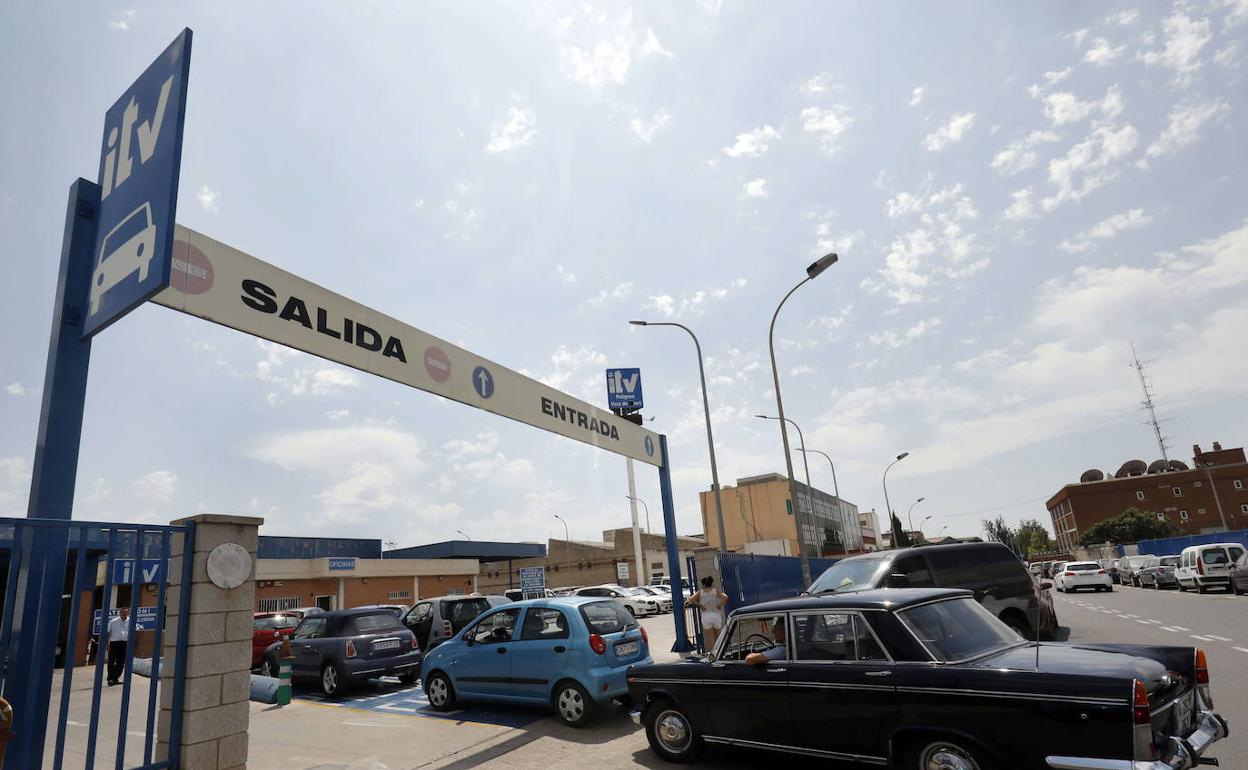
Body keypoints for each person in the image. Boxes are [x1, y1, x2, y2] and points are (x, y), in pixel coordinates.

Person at [685, 576, 728, 652]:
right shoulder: (715, 591)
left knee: (711, 638)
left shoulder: (700, 592)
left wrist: (700, 605)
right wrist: (720, 604)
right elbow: (726, 597)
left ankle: (714, 654)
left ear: (704, 585)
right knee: (718, 636)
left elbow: (691, 599)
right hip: (716, 615)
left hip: (706, 615)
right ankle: (722, 652)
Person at [106, 607, 134, 686]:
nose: (124, 614)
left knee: (121, 662)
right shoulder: (113, 622)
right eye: (123, 612)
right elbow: (107, 633)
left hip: (124, 643)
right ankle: (110, 679)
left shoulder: (131, 621)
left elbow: (135, 630)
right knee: (111, 661)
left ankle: (115, 678)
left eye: (126, 612)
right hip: (114, 643)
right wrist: (107, 644)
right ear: (120, 613)